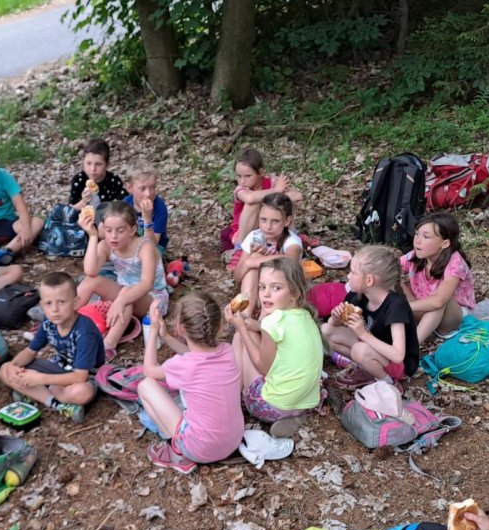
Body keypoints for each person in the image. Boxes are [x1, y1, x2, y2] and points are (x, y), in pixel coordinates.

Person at [137, 292, 244, 474]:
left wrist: (154, 331)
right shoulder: (226, 351)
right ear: (218, 326)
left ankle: (176, 452)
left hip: (200, 450)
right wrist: (167, 337)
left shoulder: (183, 365)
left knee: (145, 385)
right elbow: (195, 355)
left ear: (179, 328)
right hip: (233, 440)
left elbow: (149, 370)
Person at [228, 258, 323, 437]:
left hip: (270, 405)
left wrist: (242, 328)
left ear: (294, 292)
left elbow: (263, 367)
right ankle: (292, 416)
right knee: (251, 333)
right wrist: (257, 326)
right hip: (305, 402)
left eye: (276, 288)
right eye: (262, 287)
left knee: (241, 337)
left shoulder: (273, 322)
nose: (266, 294)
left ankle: (229, 402)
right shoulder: (305, 315)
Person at [0, 272, 104, 423]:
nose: (55, 309)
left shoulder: (85, 332)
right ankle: (56, 404)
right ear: (42, 305)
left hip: (85, 377)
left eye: (61, 302)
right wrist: (13, 366)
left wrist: (40, 379)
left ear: (75, 302)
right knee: (5, 370)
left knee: (81, 392)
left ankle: (38, 393)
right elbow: (30, 351)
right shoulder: (48, 324)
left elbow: (80, 376)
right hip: (58, 368)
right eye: (48, 303)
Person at [77, 199, 169, 360]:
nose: (113, 236)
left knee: (126, 292)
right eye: (108, 230)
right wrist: (92, 236)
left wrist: (121, 300)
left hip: (152, 299)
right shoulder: (105, 245)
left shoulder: (145, 246)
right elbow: (91, 271)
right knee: (91, 280)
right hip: (123, 292)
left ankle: (108, 346)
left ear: (132, 230)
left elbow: (147, 283)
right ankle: (65, 318)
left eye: (120, 230)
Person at [322, 245, 418, 388]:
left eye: (353, 272)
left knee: (359, 350)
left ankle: (389, 383)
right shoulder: (358, 296)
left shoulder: (395, 306)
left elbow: (398, 355)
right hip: (370, 348)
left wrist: (363, 334)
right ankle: (365, 368)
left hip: (398, 365)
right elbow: (333, 326)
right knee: (325, 330)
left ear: (369, 281)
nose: (348, 276)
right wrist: (335, 318)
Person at [402, 212, 476, 344]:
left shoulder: (455, 263)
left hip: (451, 319)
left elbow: (439, 301)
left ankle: (411, 347)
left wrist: (403, 306)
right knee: (392, 279)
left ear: (445, 243)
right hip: (423, 310)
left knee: (439, 302)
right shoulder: (415, 256)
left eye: (426, 236)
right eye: (417, 234)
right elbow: (389, 267)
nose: (417, 240)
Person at [220, 148, 303, 252]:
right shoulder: (241, 189)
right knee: (254, 203)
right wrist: (276, 191)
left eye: (248, 176)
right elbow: (250, 198)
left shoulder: (271, 182)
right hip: (244, 232)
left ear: (261, 172)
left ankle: (290, 238)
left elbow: (297, 195)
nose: (242, 181)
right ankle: (239, 247)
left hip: (271, 228)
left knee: (284, 201)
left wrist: (278, 193)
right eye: (238, 176)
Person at [231, 192, 303, 310]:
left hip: (285, 297)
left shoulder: (291, 241)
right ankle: (245, 315)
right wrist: (249, 262)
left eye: (275, 221)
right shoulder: (254, 236)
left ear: (287, 221)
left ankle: (261, 319)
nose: (268, 227)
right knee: (255, 256)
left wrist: (253, 261)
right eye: (263, 220)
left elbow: (290, 260)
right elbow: (237, 277)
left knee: (256, 259)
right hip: (256, 293)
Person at [68, 138, 126, 210]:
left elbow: (123, 206)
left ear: (107, 165)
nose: (93, 169)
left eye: (98, 164)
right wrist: (84, 201)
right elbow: (70, 210)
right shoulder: (79, 180)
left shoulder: (114, 180)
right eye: (89, 163)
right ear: (83, 162)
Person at [123, 166, 169, 253]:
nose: (148, 194)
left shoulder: (159, 208)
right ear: (129, 188)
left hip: (155, 246)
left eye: (152, 187)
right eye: (142, 188)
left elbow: (152, 245)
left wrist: (147, 218)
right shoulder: (126, 204)